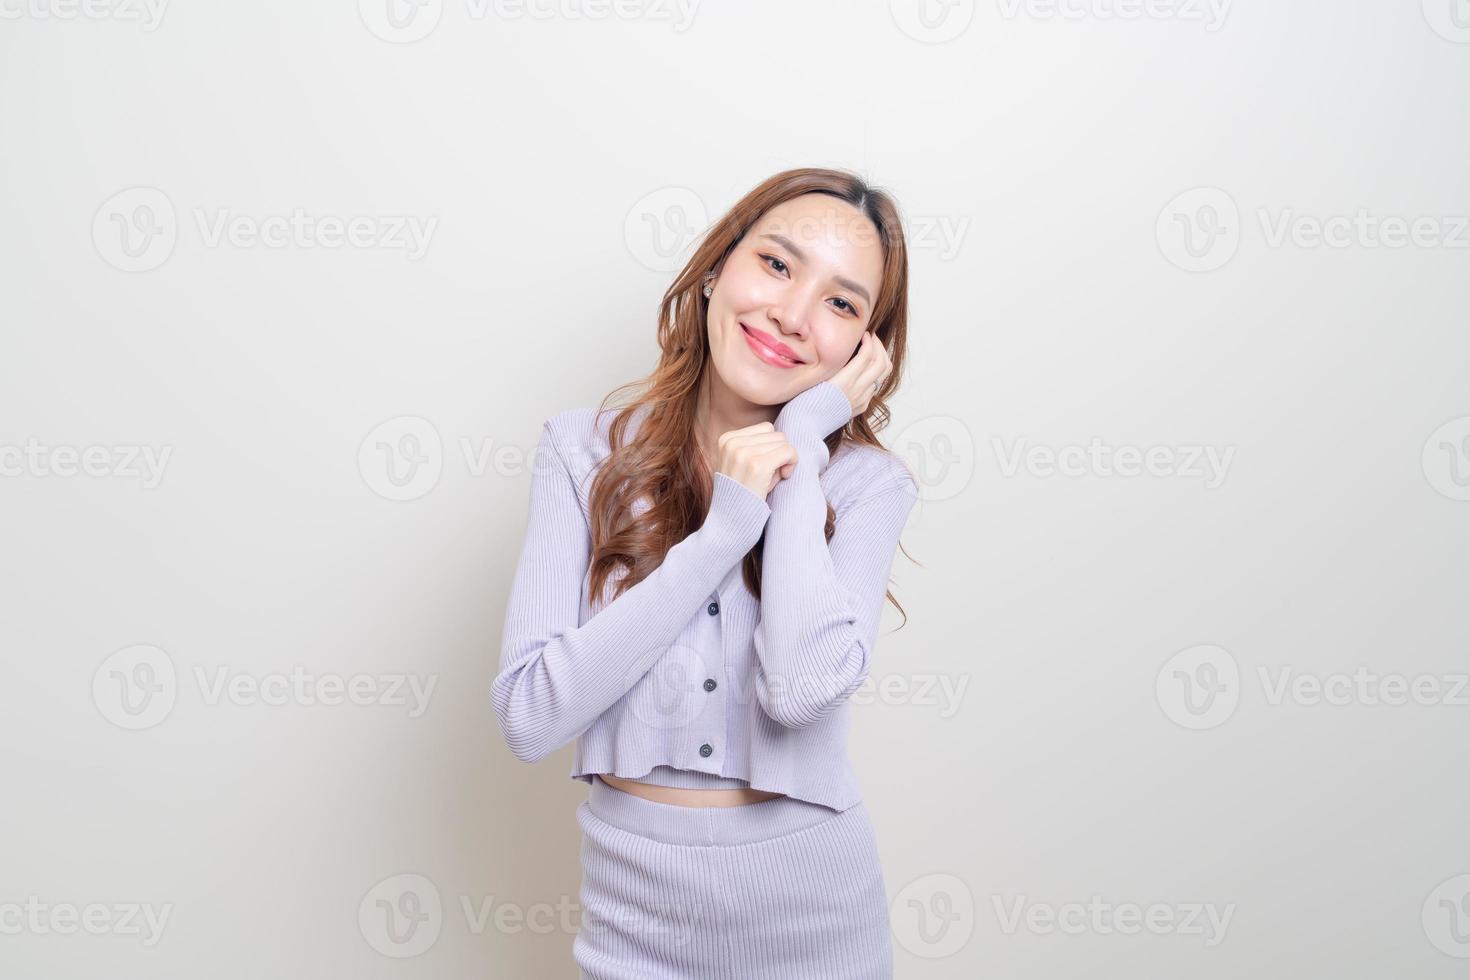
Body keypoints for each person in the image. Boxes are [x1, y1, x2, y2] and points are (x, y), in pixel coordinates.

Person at [493, 166, 920, 979]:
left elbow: (799, 690)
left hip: (821, 932)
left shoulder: (869, 486)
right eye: (777, 264)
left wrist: (803, 448)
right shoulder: (582, 453)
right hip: (631, 936)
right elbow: (529, 718)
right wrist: (724, 531)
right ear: (718, 267)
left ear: (865, 349)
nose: (793, 316)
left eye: (841, 303)